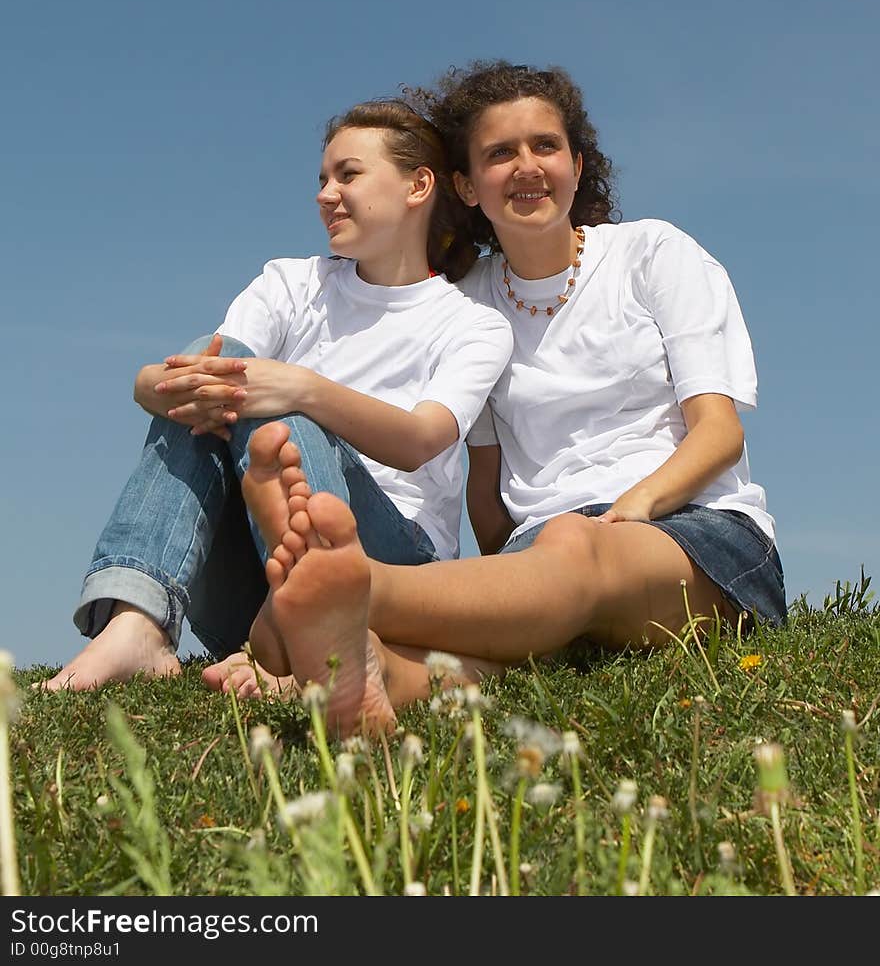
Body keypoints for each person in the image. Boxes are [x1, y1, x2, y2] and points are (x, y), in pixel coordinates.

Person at [237, 59, 787, 738]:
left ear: (578, 166)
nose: (527, 166)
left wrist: (631, 510)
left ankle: (352, 591)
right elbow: (487, 488)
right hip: (544, 555)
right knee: (477, 656)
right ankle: (366, 664)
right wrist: (509, 584)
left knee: (574, 548)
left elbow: (718, 432)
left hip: (690, 532)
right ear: (466, 186)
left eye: (545, 146)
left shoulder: (653, 253)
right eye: (501, 154)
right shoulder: (470, 306)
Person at [43, 99, 513, 692]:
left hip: (388, 572)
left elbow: (422, 439)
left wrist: (302, 387)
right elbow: (203, 368)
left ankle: (316, 635)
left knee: (283, 411)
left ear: (418, 186)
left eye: (348, 174)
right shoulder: (292, 283)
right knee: (217, 358)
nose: (325, 194)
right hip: (256, 581)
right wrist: (150, 384)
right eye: (321, 179)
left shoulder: (475, 324)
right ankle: (137, 619)